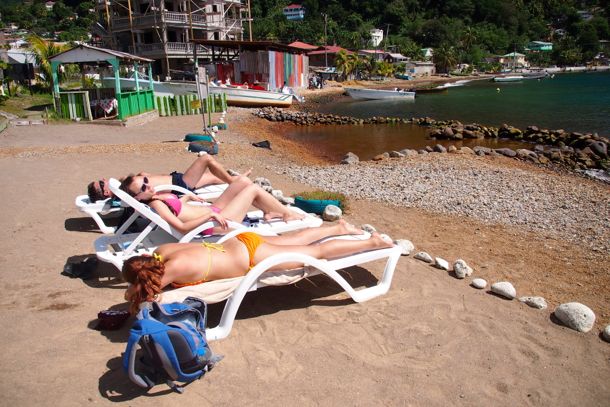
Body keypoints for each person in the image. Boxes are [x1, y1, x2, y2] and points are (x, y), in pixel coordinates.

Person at [122, 220, 392, 313]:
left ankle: (372, 242)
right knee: (292, 240)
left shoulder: (170, 272)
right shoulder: (162, 253)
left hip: (250, 257)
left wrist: (132, 289)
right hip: (240, 242)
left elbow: (135, 295)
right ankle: (338, 227)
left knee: (317, 253)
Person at [119, 172, 305, 235]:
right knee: (253, 189)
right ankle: (284, 212)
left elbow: (178, 209)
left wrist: (187, 198)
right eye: (142, 188)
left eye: (145, 181)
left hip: (212, 212)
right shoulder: (155, 205)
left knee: (242, 182)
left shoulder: (157, 197)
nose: (147, 186)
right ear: (136, 199)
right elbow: (182, 227)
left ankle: (269, 211)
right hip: (216, 223)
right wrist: (209, 215)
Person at [87, 153, 239, 203]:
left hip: (177, 180)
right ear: (106, 193)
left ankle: (238, 180)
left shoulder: (122, 189)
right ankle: (234, 182)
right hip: (180, 184)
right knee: (205, 158)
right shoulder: (125, 194)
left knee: (212, 177)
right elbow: (146, 196)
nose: (103, 179)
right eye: (101, 183)